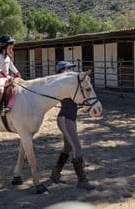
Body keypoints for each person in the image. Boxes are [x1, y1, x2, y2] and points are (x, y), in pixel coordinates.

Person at [50, 61, 95, 190]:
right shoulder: (63, 85)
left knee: (68, 148)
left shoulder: (70, 86)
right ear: (61, 71)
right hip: (66, 119)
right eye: (68, 69)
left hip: (70, 118)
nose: (70, 71)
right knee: (77, 148)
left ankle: (55, 173)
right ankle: (82, 181)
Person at [0, 34, 21, 116]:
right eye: (10, 46)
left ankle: (10, 104)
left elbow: (11, 66)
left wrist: (17, 73)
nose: (12, 47)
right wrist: (1, 72)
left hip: (6, 76)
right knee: (1, 89)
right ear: (4, 46)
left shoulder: (8, 57)